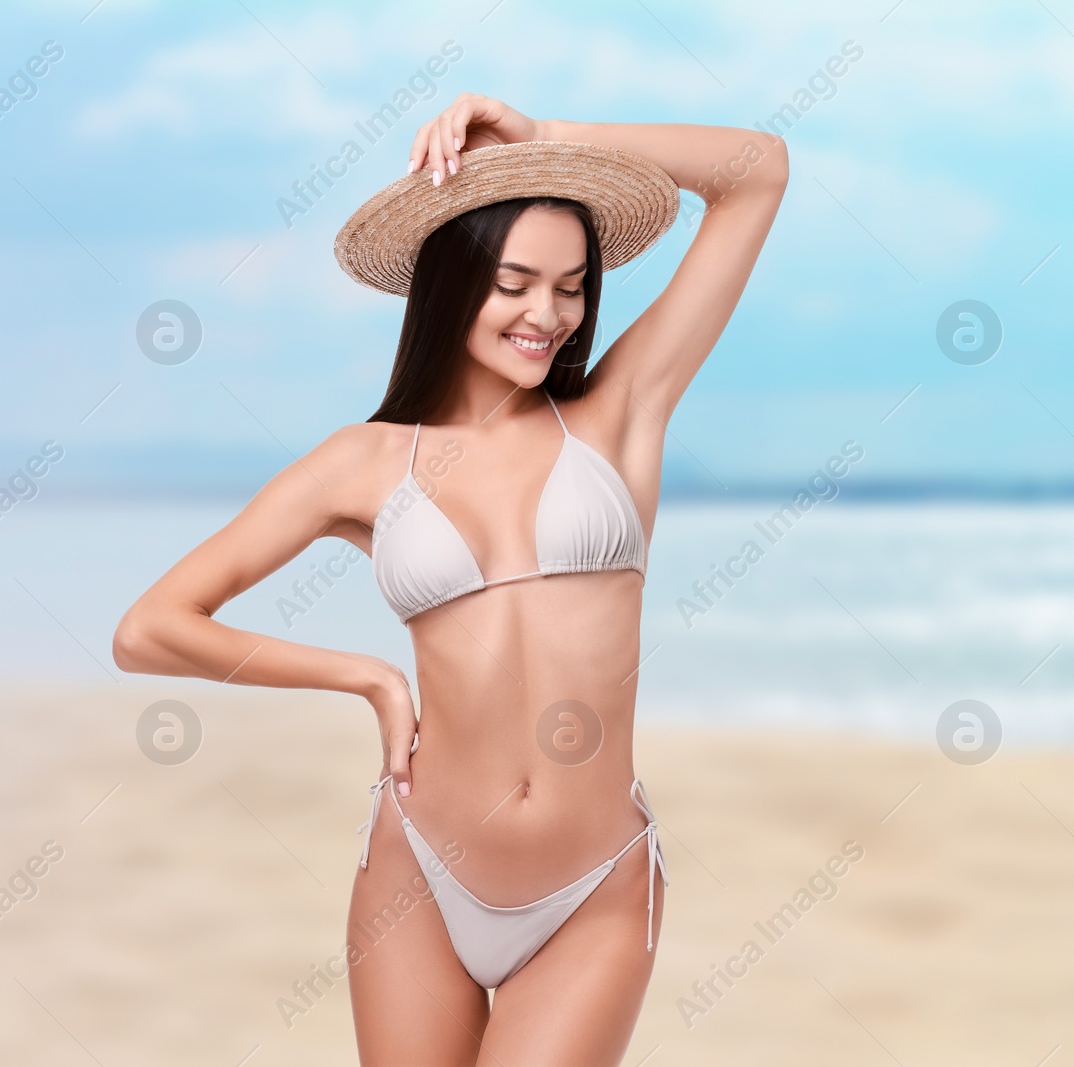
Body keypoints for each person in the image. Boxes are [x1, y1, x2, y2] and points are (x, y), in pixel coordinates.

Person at [111, 92, 788, 1065]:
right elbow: (151, 628)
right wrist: (368, 678)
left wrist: (546, 143)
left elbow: (755, 167)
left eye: (570, 287)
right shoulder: (362, 461)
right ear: (453, 281)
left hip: (592, 881)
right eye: (514, 281)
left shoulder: (617, 417)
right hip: (417, 870)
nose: (546, 315)